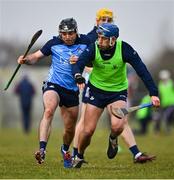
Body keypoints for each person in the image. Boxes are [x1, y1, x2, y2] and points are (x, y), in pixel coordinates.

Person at [72, 8, 157, 164]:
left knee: (118, 126)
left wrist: (154, 93)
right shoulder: (94, 47)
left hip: (117, 92)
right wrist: (78, 76)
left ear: (112, 40)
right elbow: (79, 64)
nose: (99, 41)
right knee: (88, 130)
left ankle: (113, 139)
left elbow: (142, 70)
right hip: (95, 91)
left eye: (103, 38)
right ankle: (79, 155)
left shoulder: (124, 49)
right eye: (99, 37)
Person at [17, 18, 91, 168]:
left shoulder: (86, 42)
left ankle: (65, 150)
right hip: (53, 84)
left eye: (71, 33)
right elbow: (35, 58)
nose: (68, 36)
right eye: (64, 34)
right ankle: (42, 150)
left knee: (69, 129)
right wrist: (25, 59)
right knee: (49, 111)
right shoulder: (53, 43)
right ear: (60, 34)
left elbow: (95, 61)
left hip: (72, 90)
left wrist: (83, 61)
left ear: (76, 32)